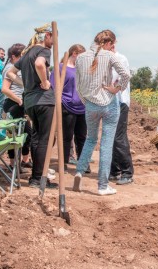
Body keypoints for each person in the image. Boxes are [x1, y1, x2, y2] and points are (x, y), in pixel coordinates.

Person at [73, 29, 130, 196]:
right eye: (112, 45)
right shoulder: (109, 56)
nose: (113, 48)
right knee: (106, 144)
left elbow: (78, 85)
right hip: (108, 104)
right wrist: (116, 89)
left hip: (90, 105)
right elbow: (126, 75)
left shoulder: (81, 57)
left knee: (90, 139)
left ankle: (79, 172)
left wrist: (86, 102)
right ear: (108, 43)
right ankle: (103, 185)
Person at [7, 23, 57, 189]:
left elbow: (10, 73)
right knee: (45, 139)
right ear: (48, 35)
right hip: (43, 100)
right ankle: (38, 178)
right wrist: (45, 82)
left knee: (36, 138)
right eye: (55, 37)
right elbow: (40, 64)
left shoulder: (27, 52)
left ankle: (36, 177)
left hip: (30, 101)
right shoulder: (43, 51)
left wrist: (26, 84)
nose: (56, 41)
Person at [50, 44, 87, 173]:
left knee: (82, 136)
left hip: (82, 107)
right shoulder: (61, 68)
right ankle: (63, 163)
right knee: (66, 136)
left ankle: (83, 164)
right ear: (74, 54)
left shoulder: (82, 70)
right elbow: (53, 86)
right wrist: (59, 101)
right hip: (67, 106)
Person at [1, 43, 32, 171]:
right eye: (21, 56)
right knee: (14, 136)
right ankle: (13, 164)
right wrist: (19, 100)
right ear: (14, 56)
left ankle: (24, 161)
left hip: (20, 104)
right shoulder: (10, 69)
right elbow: (5, 89)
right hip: (13, 104)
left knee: (27, 134)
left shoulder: (18, 68)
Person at [109, 43, 134, 185]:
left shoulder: (120, 59)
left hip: (120, 102)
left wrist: (113, 89)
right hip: (111, 104)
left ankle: (127, 172)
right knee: (111, 137)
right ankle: (114, 170)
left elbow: (123, 78)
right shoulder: (107, 59)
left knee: (119, 137)